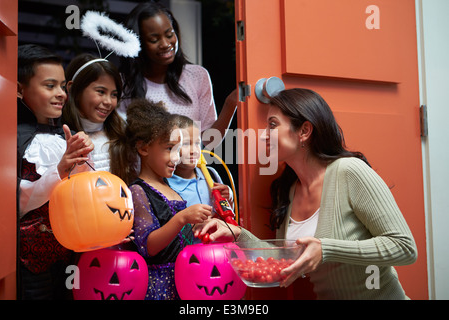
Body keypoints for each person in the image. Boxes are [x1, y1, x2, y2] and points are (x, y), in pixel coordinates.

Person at [196, 88, 418, 300]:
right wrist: (237, 234)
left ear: (304, 131)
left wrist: (326, 249)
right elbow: (285, 258)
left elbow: (404, 247)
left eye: (272, 125)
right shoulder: (290, 190)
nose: (263, 135)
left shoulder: (349, 171)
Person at [109, 99, 212, 299]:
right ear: (144, 148)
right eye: (169, 148)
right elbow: (148, 245)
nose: (176, 157)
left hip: (186, 280)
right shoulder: (138, 191)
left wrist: (201, 224)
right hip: (161, 285)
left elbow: (180, 237)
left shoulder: (170, 187)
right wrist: (182, 218)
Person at [17, 44, 94, 299]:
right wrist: (60, 168)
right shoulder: (12, 139)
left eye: (62, 86)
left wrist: (83, 158)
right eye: (50, 86)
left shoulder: (64, 135)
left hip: (69, 253)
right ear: (19, 89)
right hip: (28, 257)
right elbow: (17, 201)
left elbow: (81, 193)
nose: (60, 94)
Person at [118, 1, 237, 147]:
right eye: (154, 40)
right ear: (138, 43)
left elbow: (210, 140)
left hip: (190, 168)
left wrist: (230, 104)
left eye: (169, 34)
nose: (165, 44)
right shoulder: (124, 83)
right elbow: (121, 142)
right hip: (142, 170)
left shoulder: (197, 76)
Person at [63, 53, 126, 173]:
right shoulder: (57, 140)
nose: (108, 102)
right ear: (72, 88)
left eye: (114, 94)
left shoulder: (122, 135)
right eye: (101, 92)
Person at [167, 114, 233, 209]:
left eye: (197, 143)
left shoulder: (211, 174)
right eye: (185, 144)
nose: (194, 150)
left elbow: (227, 214)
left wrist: (229, 200)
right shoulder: (165, 185)